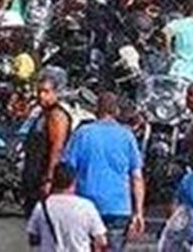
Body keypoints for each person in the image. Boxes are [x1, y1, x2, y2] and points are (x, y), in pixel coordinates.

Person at [61, 92, 144, 251]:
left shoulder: (83, 133)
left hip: (85, 205)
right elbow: (137, 177)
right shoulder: (127, 136)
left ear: (96, 109)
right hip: (118, 208)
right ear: (116, 111)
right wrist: (138, 212)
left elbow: (67, 170)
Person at [21, 68, 74, 216]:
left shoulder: (57, 116)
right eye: (39, 91)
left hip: (42, 178)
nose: (41, 96)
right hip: (33, 176)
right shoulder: (42, 113)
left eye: (46, 92)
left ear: (56, 93)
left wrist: (49, 179)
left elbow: (57, 149)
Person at [25, 162, 108, 252]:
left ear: (54, 182)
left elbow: (33, 236)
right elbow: (101, 240)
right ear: (74, 182)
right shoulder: (87, 206)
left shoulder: (42, 206)